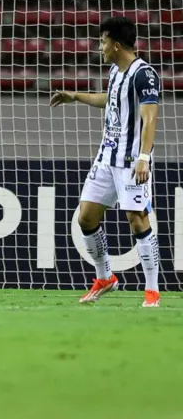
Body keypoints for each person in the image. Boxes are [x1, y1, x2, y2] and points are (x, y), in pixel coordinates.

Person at [50, 16, 161, 308]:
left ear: (115, 43)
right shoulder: (115, 72)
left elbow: (150, 118)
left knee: (137, 221)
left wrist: (144, 158)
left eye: (102, 41)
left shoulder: (144, 74)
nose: (99, 47)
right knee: (86, 217)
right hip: (105, 159)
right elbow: (109, 100)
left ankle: (152, 290)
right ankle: (105, 278)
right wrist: (76, 96)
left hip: (131, 161)